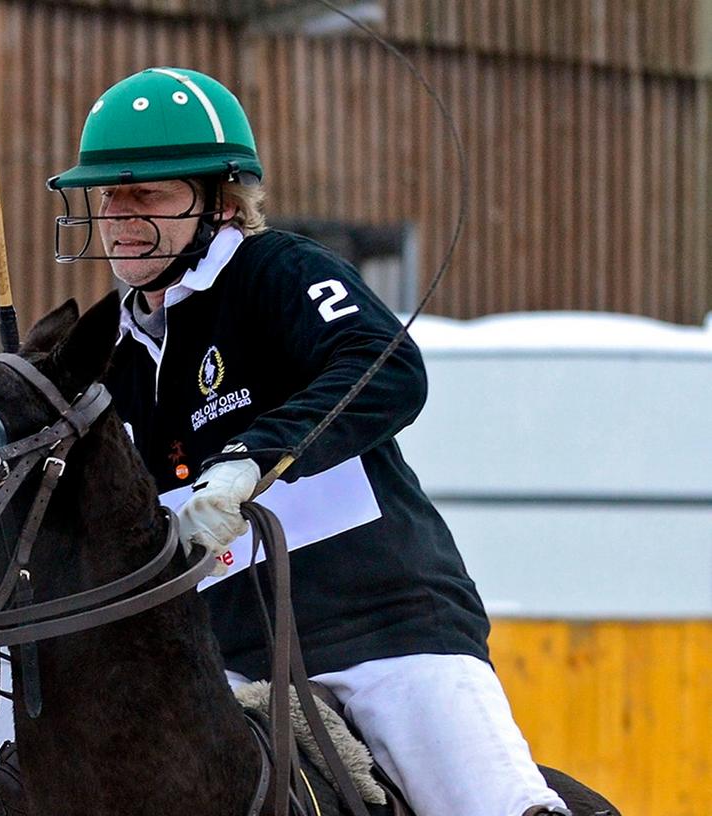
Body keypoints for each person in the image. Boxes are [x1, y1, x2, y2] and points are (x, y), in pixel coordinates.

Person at [47, 67, 569, 816]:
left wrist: (256, 459)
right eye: (109, 197)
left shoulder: (279, 271)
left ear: (221, 201)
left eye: (149, 195)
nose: (121, 216)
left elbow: (386, 367)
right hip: (224, 660)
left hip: (387, 630)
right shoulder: (104, 351)